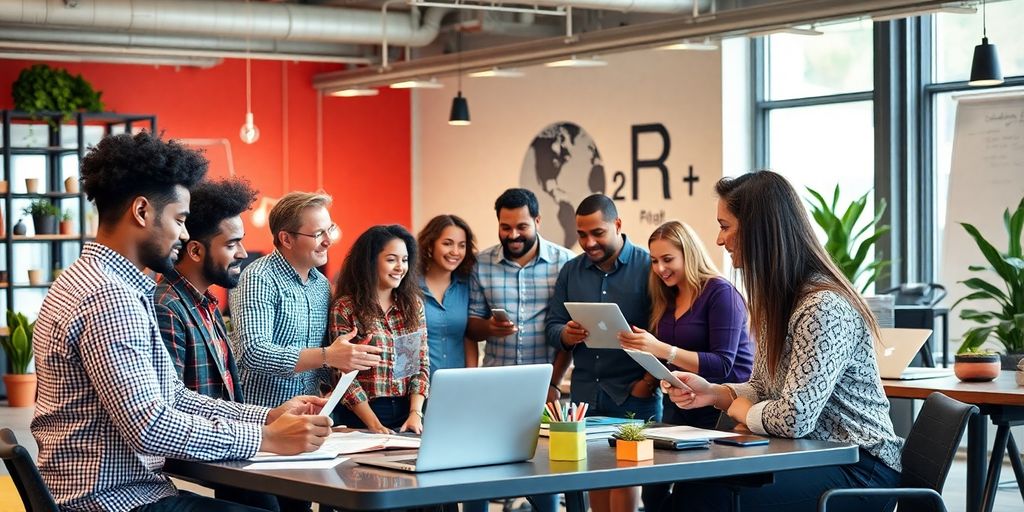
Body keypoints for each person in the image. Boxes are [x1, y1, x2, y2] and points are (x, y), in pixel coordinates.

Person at [31, 132, 331, 512]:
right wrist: (265, 438)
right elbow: (150, 425)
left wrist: (268, 415)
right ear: (142, 212)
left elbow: (173, 398)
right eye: (180, 219)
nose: (186, 234)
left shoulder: (102, 283)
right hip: (115, 503)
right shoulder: (108, 297)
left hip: (132, 493)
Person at [663, 171, 904, 512]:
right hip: (813, 455)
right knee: (694, 491)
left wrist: (741, 409)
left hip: (861, 470)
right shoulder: (780, 301)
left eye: (725, 226)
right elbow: (762, 386)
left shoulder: (823, 307)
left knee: (705, 498)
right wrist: (715, 393)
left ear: (758, 230)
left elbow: (794, 418)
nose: (719, 240)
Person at [154, 177, 281, 510]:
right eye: (232, 244)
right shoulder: (166, 306)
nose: (242, 253)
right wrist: (263, 431)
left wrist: (267, 418)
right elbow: (173, 405)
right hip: (199, 450)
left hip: (224, 439)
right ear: (195, 250)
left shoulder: (207, 302)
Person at [617, 220, 753, 512]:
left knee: (693, 497)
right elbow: (673, 360)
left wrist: (661, 349)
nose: (660, 268)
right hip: (679, 408)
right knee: (652, 492)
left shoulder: (720, 294)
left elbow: (724, 365)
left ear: (688, 254)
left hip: (721, 413)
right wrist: (662, 374)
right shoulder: (667, 296)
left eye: (668, 259)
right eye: (654, 261)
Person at [464, 188, 575, 512]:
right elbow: (470, 326)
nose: (513, 235)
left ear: (538, 221)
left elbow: (568, 332)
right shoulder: (482, 264)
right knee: (479, 473)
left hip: (542, 388)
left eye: (521, 227)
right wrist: (489, 327)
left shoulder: (563, 263)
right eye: (505, 227)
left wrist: (554, 384)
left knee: (543, 477)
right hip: (493, 386)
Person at [545, 193, 658, 512]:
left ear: (618, 225)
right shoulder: (571, 271)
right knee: (594, 479)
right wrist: (566, 334)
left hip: (633, 394)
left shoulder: (649, 267)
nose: (588, 242)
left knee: (626, 485)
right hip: (584, 394)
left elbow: (663, 332)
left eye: (597, 233)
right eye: (582, 234)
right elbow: (553, 326)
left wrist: (646, 383)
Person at [230, 192, 382, 410]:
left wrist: (338, 373)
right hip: (263, 417)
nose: (328, 241)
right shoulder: (259, 277)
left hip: (308, 414)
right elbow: (253, 353)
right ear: (286, 239)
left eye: (329, 230)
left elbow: (321, 359)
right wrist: (328, 356)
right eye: (319, 234)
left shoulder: (321, 285)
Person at [331, 225, 429, 434]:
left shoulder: (412, 305)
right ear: (370, 261)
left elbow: (418, 365)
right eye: (391, 259)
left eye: (404, 260)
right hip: (361, 416)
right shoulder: (346, 307)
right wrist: (374, 424)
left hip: (408, 414)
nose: (400, 267)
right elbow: (343, 374)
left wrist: (415, 413)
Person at [416, 214, 478, 376]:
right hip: (418, 389)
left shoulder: (467, 286)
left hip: (458, 386)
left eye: (462, 245)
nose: (455, 252)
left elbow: (469, 337)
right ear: (430, 245)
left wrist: (472, 378)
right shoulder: (410, 287)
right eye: (447, 244)